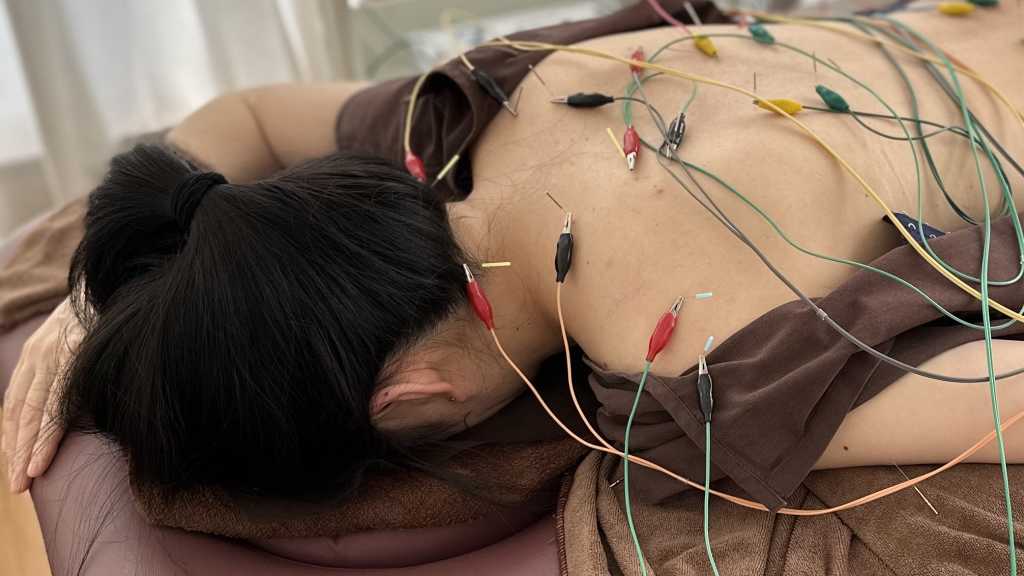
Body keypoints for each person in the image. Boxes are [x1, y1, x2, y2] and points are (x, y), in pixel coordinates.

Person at [4, 1, 1024, 506]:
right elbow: (247, 120)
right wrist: (99, 297)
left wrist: (99, 302)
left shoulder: (696, 380)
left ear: (408, 400)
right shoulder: (490, 103)